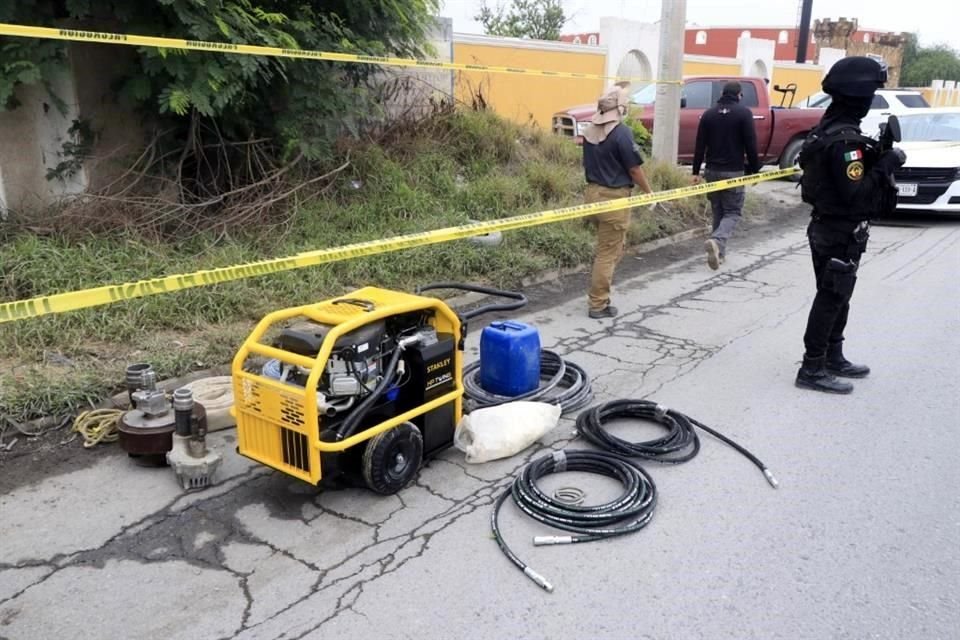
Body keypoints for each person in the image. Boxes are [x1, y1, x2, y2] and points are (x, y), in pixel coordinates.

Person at [794, 56, 905, 394]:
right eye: (871, 92)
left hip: (828, 228)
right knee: (831, 297)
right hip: (838, 231)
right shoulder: (844, 142)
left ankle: (833, 355)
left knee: (838, 296)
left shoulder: (828, 131)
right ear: (859, 96)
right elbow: (853, 195)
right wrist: (886, 163)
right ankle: (812, 367)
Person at [581, 86, 654, 319]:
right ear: (620, 108)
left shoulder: (590, 130)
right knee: (608, 253)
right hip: (614, 198)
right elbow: (634, 168)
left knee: (609, 250)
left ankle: (598, 290)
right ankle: (598, 304)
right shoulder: (622, 133)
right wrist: (649, 192)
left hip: (592, 194)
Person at [691, 81, 761, 270]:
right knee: (733, 212)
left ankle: (719, 253)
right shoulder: (744, 114)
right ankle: (717, 240)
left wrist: (695, 171)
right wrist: (755, 171)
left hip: (712, 171)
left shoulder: (708, 114)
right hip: (733, 172)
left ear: (722, 93)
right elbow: (751, 144)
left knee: (718, 210)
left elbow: (699, 145)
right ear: (739, 95)